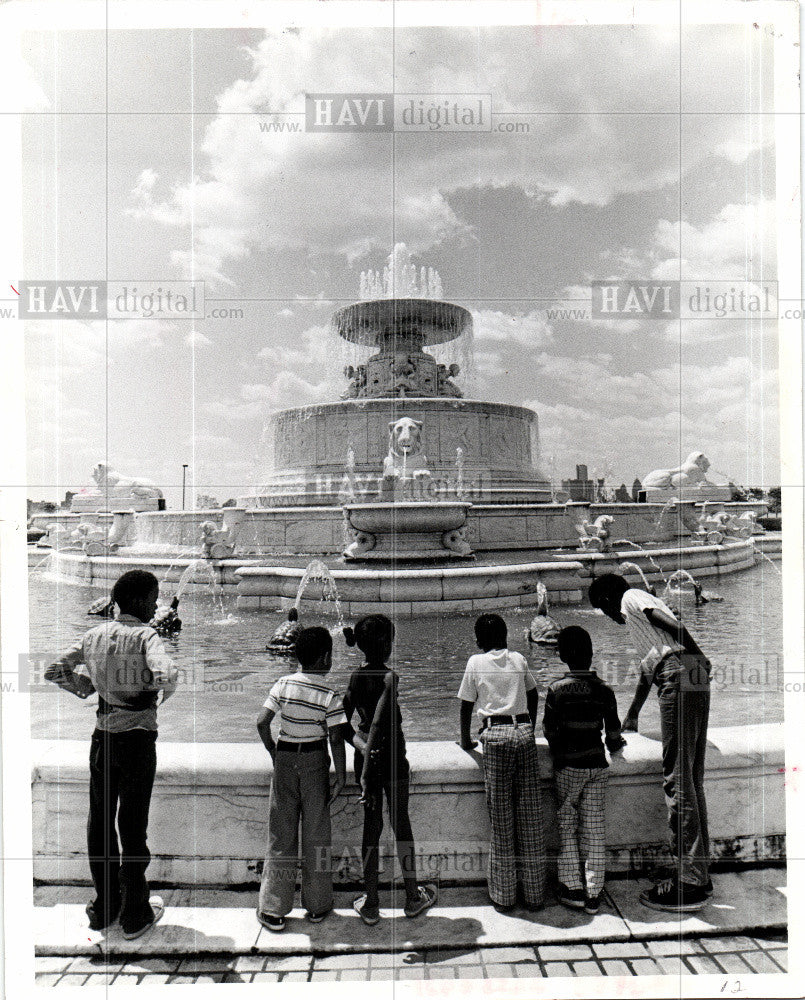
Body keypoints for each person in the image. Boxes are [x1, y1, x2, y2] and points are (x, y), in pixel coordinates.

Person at [45, 569, 177, 939]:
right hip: (136, 740)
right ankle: (135, 912)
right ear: (138, 601)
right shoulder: (146, 634)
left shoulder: (93, 635)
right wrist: (149, 694)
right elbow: (166, 672)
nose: (156, 605)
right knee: (133, 825)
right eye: (153, 598)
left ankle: (104, 906)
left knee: (100, 821)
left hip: (102, 740)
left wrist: (89, 688)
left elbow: (54, 670)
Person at [588, 573, 712, 911]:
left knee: (676, 780)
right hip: (690, 674)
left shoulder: (630, 598)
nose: (610, 617)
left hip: (679, 672)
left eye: (604, 608)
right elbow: (648, 669)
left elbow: (667, 623)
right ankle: (700, 873)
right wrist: (632, 714)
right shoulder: (640, 615)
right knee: (692, 778)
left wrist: (698, 653)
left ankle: (688, 882)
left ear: (611, 599)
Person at [342, 615, 437, 925]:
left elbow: (340, 721)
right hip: (391, 757)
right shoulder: (390, 678)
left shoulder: (355, 677)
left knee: (371, 828)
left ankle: (370, 902)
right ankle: (412, 896)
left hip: (366, 756)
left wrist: (359, 745)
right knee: (401, 825)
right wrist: (369, 765)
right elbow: (382, 721)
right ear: (386, 645)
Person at [256, 626, 347, 931]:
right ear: (325, 658)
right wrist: (342, 775)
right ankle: (318, 905)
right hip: (314, 762)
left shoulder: (282, 683)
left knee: (281, 834)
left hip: (285, 759)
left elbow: (262, 721)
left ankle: (272, 908)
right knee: (317, 836)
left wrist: (272, 750)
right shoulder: (329, 695)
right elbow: (336, 738)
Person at [457, 613, 547, 912]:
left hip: (495, 736)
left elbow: (466, 705)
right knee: (530, 815)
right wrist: (530, 726)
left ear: (479, 640)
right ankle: (535, 894)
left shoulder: (474, 662)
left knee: (501, 817)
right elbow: (534, 693)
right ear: (506, 636)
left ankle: (505, 895)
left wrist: (467, 740)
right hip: (522, 733)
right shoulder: (519, 659)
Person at [543, 626, 626, 914]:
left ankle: (571, 888)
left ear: (562, 655)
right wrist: (616, 744)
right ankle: (594, 890)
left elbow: (550, 731)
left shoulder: (556, 690)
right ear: (591, 654)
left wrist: (559, 755)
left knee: (567, 823)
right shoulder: (604, 689)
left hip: (569, 766)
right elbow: (613, 732)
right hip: (597, 765)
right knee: (593, 826)